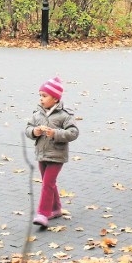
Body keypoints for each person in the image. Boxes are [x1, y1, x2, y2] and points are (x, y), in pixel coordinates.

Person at [25, 76, 79, 228]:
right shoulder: (37, 113)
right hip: (42, 154)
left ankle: (43, 213)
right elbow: (28, 129)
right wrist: (34, 131)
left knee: (48, 183)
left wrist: (55, 133)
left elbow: (73, 133)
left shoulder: (65, 115)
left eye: (44, 96)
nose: (41, 99)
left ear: (55, 99)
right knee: (48, 183)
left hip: (57, 155)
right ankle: (56, 209)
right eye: (40, 95)